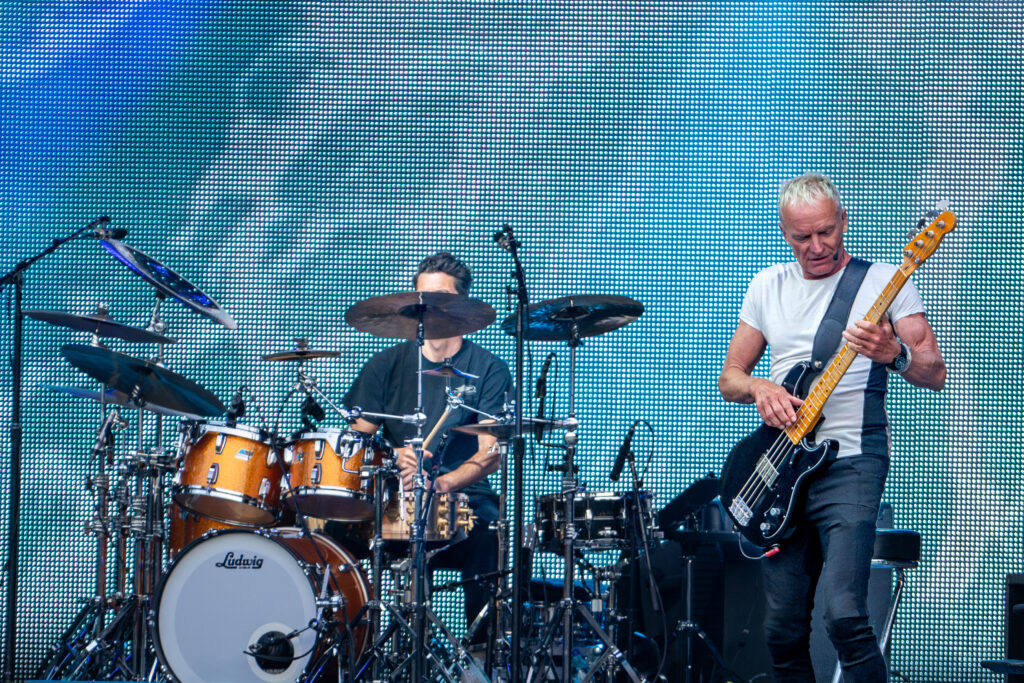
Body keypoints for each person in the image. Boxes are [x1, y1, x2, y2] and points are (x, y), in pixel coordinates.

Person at [717, 173, 946, 682]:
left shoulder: (886, 282)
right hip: (778, 469)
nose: (817, 246)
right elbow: (729, 378)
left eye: (826, 231)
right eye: (802, 237)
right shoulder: (767, 285)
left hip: (851, 464)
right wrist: (761, 389)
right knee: (781, 629)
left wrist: (895, 353)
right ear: (783, 233)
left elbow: (934, 372)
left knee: (844, 613)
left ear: (844, 222)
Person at [338, 251, 511, 643]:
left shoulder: (488, 369)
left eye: (440, 301)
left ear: (462, 308)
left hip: (465, 499)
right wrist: (390, 455)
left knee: (488, 530)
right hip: (397, 497)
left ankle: (481, 652)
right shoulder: (386, 365)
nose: (428, 310)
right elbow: (355, 441)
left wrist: (445, 483)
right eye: (422, 301)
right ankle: (372, 648)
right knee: (340, 527)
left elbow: (490, 451)